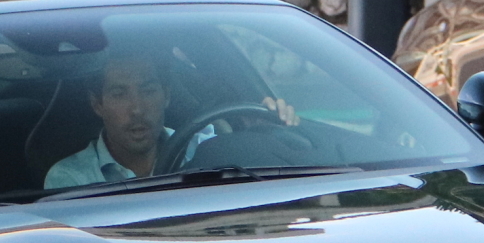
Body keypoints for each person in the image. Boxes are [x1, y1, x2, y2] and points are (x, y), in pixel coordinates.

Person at [42, 53, 300, 189]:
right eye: (119, 94)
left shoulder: (204, 148)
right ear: (97, 104)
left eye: (148, 90)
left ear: (166, 95)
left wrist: (266, 137)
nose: (137, 109)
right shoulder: (70, 178)